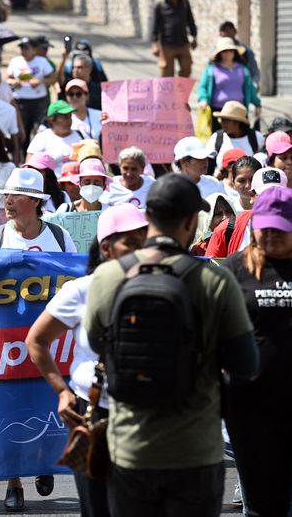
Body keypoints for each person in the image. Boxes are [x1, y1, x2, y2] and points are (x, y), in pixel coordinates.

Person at [84, 173, 259, 516]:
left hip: (129, 448)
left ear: (147, 217)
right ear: (192, 221)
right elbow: (246, 364)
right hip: (195, 451)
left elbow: (95, 343)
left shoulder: (108, 276)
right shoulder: (215, 280)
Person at [26, 204, 148, 517]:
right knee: (97, 509)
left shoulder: (163, 286)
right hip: (94, 416)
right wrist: (62, 392)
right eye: (131, 243)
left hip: (151, 418)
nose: (141, 251)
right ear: (107, 248)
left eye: (144, 242)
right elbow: (36, 341)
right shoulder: (81, 290)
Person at [222, 186, 292, 516]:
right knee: (262, 505)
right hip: (249, 409)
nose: (272, 235)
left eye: (281, 228)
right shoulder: (235, 269)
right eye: (265, 227)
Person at [0, 168, 77, 252]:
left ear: (36, 201)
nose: (8, 201)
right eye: (6, 195)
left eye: (16, 195)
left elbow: (73, 271)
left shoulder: (61, 236)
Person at [205, 167, 288, 258]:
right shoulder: (224, 230)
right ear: (251, 196)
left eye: (278, 195)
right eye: (264, 195)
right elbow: (211, 269)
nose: (271, 201)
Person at [197, 38, 261, 131]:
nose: (228, 53)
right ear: (220, 53)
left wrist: (257, 104)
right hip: (218, 111)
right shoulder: (211, 69)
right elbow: (203, 87)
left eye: (231, 50)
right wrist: (203, 99)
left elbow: (250, 89)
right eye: (225, 51)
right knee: (219, 140)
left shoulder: (243, 69)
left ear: (235, 52)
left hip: (239, 111)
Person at [6, 37, 56, 140]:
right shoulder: (15, 62)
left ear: (33, 49)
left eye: (26, 48)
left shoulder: (42, 61)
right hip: (20, 101)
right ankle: (23, 152)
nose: (23, 51)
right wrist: (14, 82)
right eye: (22, 48)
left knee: (38, 130)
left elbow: (53, 78)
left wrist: (40, 81)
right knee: (22, 130)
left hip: (38, 102)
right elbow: (7, 79)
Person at [151, 0, 197, 78]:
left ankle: (179, 90)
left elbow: (190, 21)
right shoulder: (160, 6)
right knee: (167, 73)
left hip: (183, 43)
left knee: (186, 68)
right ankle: (168, 93)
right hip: (167, 44)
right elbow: (156, 25)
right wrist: (154, 43)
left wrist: (194, 37)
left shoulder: (185, 3)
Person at [27, 100, 84, 175]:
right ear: (52, 119)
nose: (69, 120)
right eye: (64, 117)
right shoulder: (41, 138)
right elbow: (29, 167)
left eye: (70, 116)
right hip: (53, 185)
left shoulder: (80, 135)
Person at [219, 20, 260, 88]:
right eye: (224, 30)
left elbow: (254, 72)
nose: (227, 33)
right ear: (220, 34)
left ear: (235, 31)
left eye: (230, 29)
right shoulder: (216, 53)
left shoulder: (246, 51)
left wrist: (253, 86)